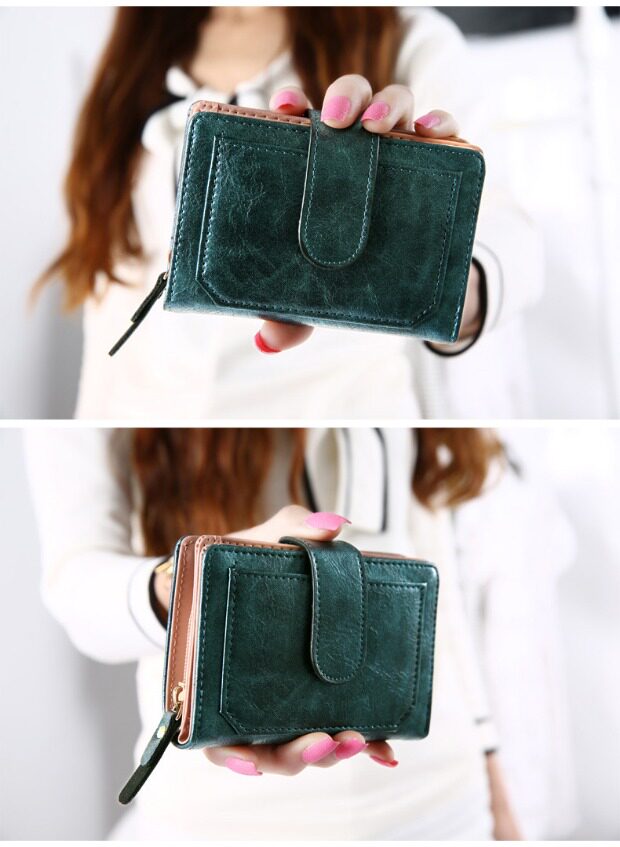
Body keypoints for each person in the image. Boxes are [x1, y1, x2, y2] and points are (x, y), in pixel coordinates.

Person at [26, 426, 531, 840]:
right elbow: (76, 590)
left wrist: (496, 786)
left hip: (442, 805)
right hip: (222, 821)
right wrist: (191, 584)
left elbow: (439, 590)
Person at [37, 7, 542, 419]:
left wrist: (448, 294)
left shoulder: (409, 37)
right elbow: (108, 308)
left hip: (335, 422)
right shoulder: (134, 50)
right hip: (144, 432)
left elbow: (517, 241)